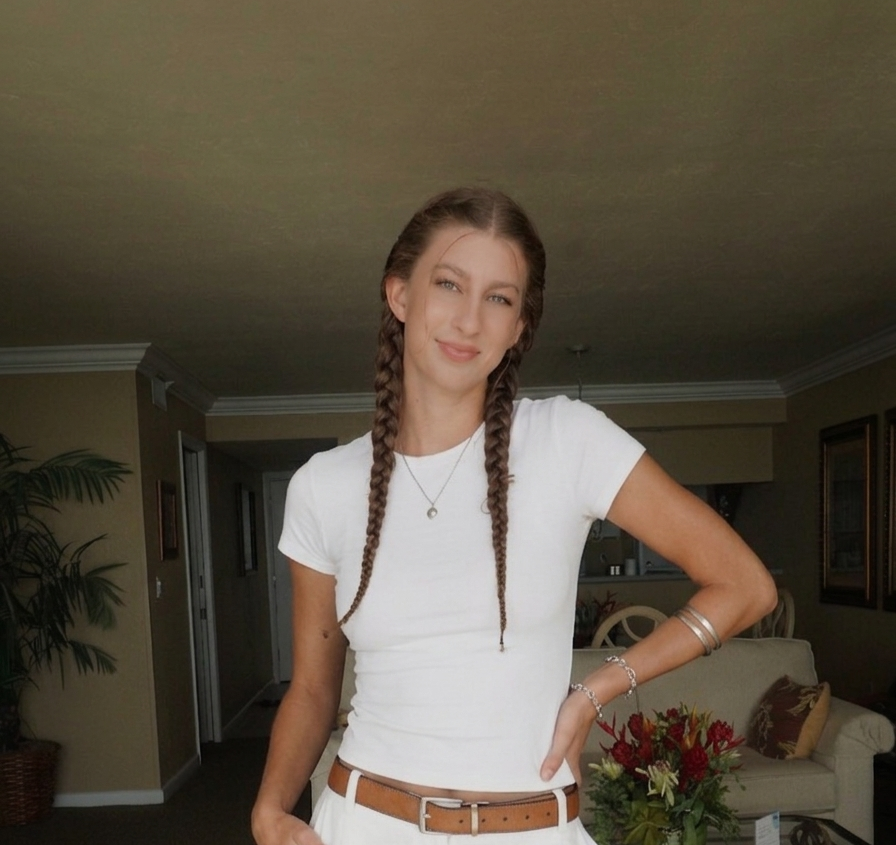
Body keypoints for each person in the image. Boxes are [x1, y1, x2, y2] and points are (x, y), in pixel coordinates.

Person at [251, 188, 777, 845]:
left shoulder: (569, 440)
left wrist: (599, 687)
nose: (470, 320)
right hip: (363, 819)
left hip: (530, 828)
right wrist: (271, 806)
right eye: (449, 284)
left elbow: (745, 585)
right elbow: (310, 689)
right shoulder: (321, 487)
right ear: (400, 296)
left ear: (519, 326)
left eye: (499, 297)